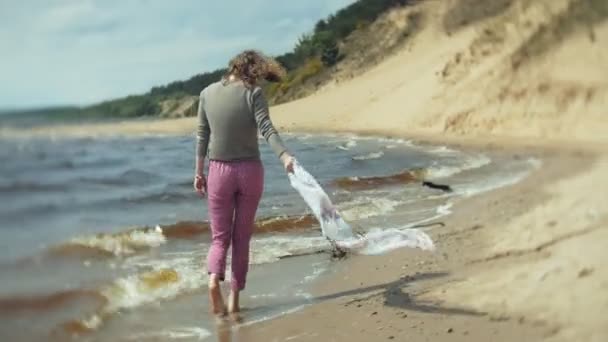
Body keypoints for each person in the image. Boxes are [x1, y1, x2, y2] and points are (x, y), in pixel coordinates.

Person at [193, 50, 295, 317]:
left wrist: (198, 172)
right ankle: (234, 301)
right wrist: (284, 156)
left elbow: (202, 136)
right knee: (241, 238)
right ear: (253, 70)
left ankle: (213, 280)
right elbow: (266, 128)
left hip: (219, 171)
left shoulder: (206, 93)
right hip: (250, 171)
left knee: (219, 238)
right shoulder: (253, 93)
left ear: (232, 66)